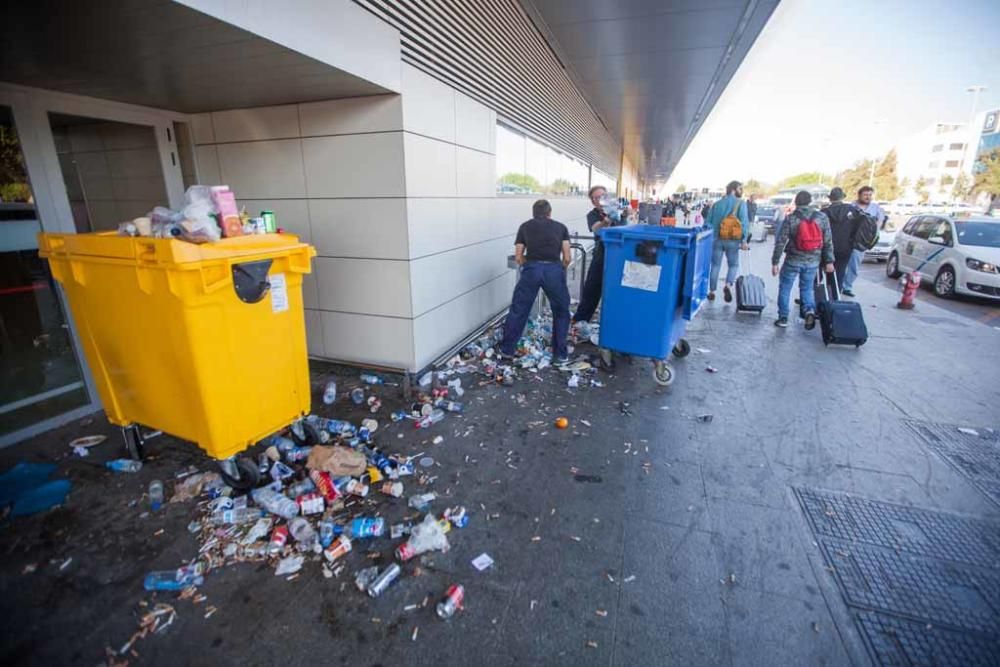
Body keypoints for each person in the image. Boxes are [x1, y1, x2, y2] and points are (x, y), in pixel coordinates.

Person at [499, 200, 572, 364]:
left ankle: (507, 351)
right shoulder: (561, 228)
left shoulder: (525, 227)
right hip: (553, 270)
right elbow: (567, 257)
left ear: (533, 213)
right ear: (550, 213)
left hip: (532, 269)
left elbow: (518, 256)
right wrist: (559, 268)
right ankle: (560, 354)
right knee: (561, 311)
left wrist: (529, 265)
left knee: (519, 310)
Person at [771, 191, 834, 329]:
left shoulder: (791, 218)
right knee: (807, 288)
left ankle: (783, 318)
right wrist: (829, 261)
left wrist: (775, 262)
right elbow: (828, 241)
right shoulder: (822, 217)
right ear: (810, 201)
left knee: (785, 288)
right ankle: (809, 311)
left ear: (797, 202)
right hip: (813, 260)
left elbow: (781, 241)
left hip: (793, 259)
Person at [572, 185, 619, 325]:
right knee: (592, 287)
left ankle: (615, 321)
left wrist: (627, 213)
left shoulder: (618, 209)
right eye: (597, 198)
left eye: (603, 196)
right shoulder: (592, 215)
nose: (600, 200)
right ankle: (580, 320)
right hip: (602, 252)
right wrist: (605, 222)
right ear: (593, 201)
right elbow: (596, 229)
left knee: (616, 288)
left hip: (620, 253)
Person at [705, 181, 750, 302]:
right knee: (733, 265)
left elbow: (707, 223)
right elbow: (744, 223)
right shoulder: (740, 204)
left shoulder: (717, 204)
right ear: (734, 190)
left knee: (715, 265)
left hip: (717, 239)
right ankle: (728, 285)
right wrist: (744, 240)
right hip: (733, 240)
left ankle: (712, 291)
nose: (742, 191)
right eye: (740, 188)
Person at [842, 185, 886, 297]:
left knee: (854, 265)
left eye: (870, 195)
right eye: (865, 195)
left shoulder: (876, 208)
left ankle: (847, 287)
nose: (868, 197)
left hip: (861, 242)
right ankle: (837, 284)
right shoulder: (851, 206)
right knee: (841, 263)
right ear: (859, 195)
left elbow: (879, 223)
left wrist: (872, 236)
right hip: (847, 240)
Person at [821, 187, 863, 287]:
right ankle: (836, 297)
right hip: (845, 247)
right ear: (842, 198)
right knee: (840, 273)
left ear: (830, 199)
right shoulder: (852, 210)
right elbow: (858, 227)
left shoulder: (824, 212)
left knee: (820, 272)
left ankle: (814, 296)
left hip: (827, 247)